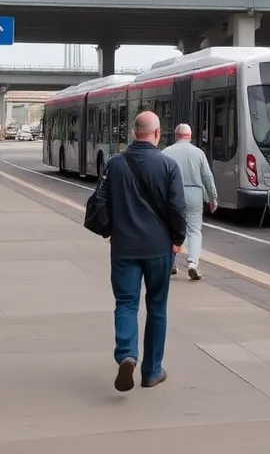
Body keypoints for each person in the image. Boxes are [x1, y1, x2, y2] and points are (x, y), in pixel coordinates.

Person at [92, 111, 186, 392]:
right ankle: (152, 371)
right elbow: (177, 208)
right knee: (157, 307)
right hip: (159, 249)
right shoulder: (169, 166)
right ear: (157, 134)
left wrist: (108, 230)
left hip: (124, 247)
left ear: (134, 133)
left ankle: (127, 355)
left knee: (126, 304)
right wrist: (178, 239)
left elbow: (99, 202)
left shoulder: (115, 164)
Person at [163, 124, 218, 280]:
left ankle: (171, 264)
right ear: (190, 135)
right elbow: (207, 176)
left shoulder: (166, 152)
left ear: (176, 135)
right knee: (194, 231)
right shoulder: (198, 153)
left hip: (173, 195)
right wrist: (212, 198)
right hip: (194, 194)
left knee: (171, 230)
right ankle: (193, 263)